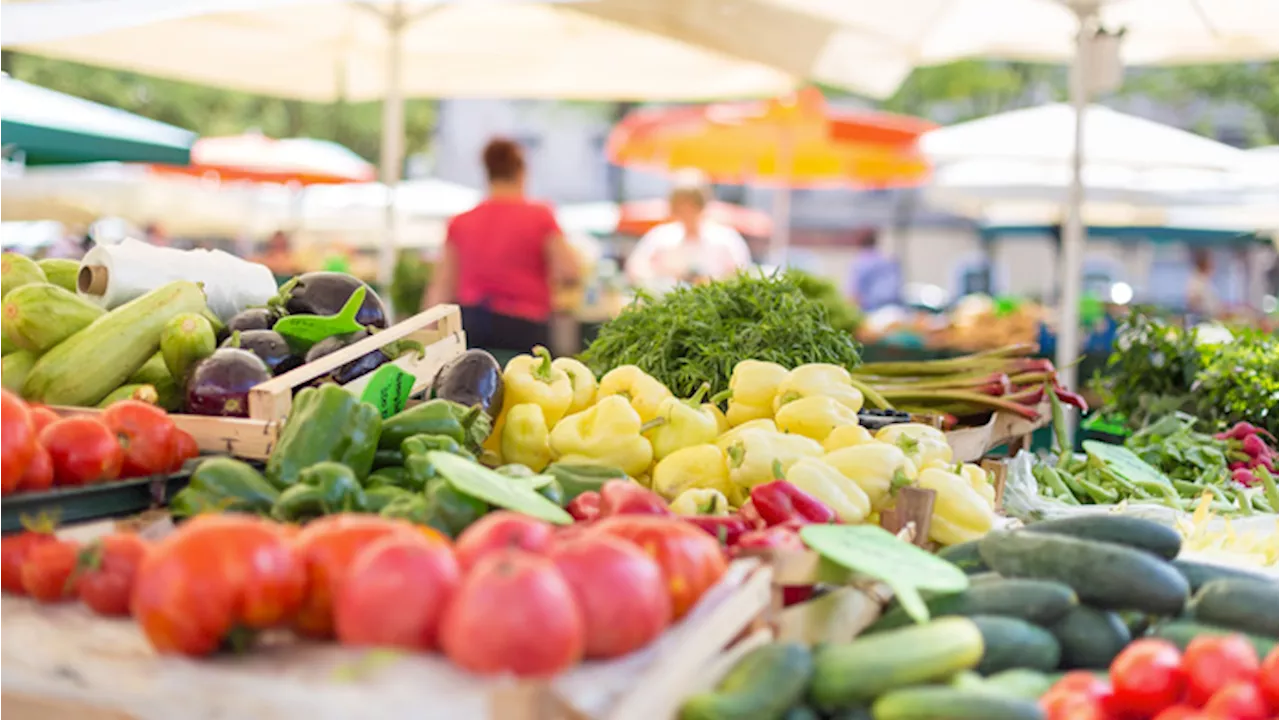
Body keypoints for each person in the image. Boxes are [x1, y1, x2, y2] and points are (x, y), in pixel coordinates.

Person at [425, 137, 580, 355]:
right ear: (521, 172)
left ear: (487, 173)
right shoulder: (540, 216)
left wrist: (428, 337)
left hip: (472, 326)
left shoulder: (461, 222)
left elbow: (442, 285)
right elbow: (569, 270)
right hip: (525, 327)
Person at [625, 171, 752, 294]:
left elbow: (741, 274)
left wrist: (712, 281)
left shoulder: (726, 240)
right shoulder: (660, 237)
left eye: (691, 205)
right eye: (681, 206)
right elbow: (636, 268)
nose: (686, 212)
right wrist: (663, 278)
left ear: (702, 205)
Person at [845, 228, 901, 311]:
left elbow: (854, 293)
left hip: (870, 310)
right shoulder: (889, 260)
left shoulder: (860, 263)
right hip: (893, 308)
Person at [1187, 247, 1220, 318]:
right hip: (1202, 319)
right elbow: (1193, 303)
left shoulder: (1205, 279)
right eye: (1210, 262)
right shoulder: (1196, 281)